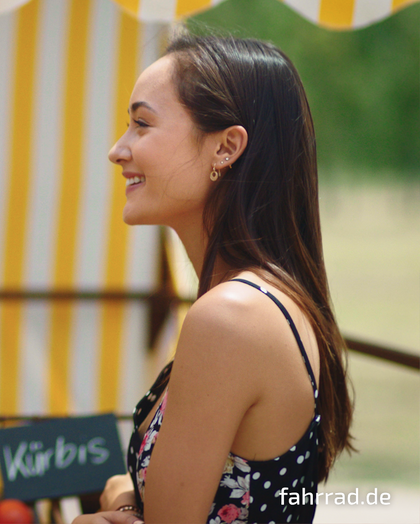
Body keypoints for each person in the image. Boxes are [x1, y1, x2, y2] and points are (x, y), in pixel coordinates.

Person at [74, 32, 354, 524]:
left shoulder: (230, 317)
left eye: (142, 124)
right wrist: (125, 496)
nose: (118, 150)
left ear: (226, 147)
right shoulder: (262, 301)